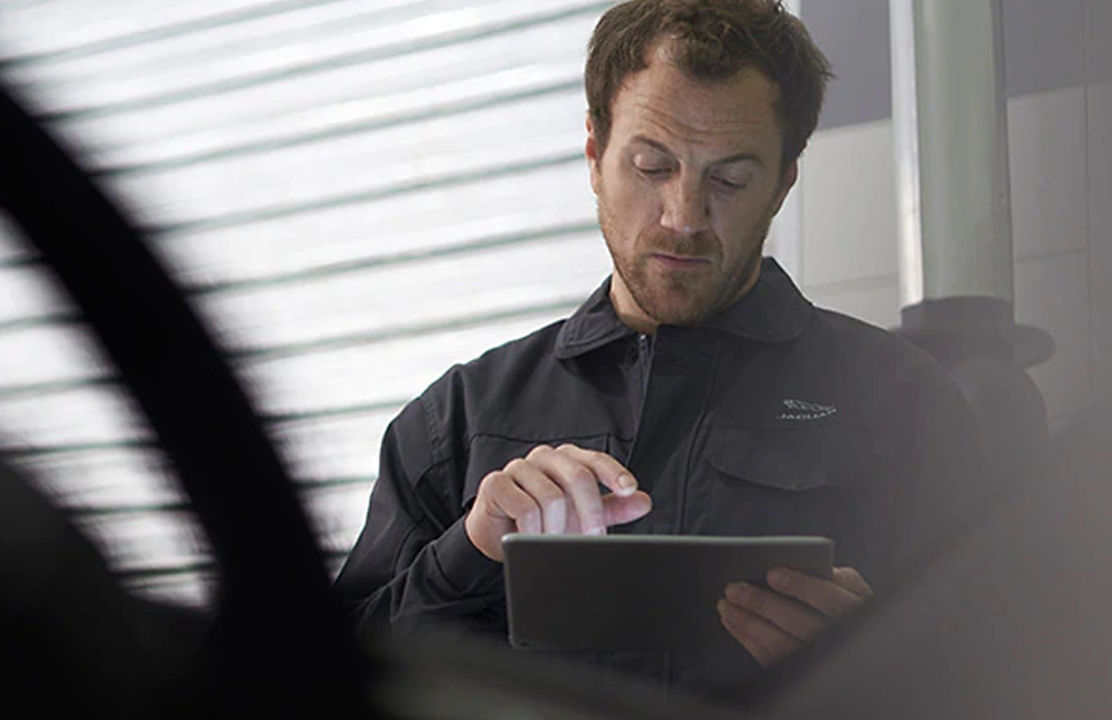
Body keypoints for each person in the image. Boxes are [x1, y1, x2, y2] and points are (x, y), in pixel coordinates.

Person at [334, 0, 986, 691]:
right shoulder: (459, 421)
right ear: (594, 154)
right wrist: (466, 554)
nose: (683, 219)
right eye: (651, 166)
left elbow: (1022, 680)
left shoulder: (905, 404)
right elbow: (324, 682)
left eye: (729, 180)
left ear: (782, 183)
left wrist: (880, 668)